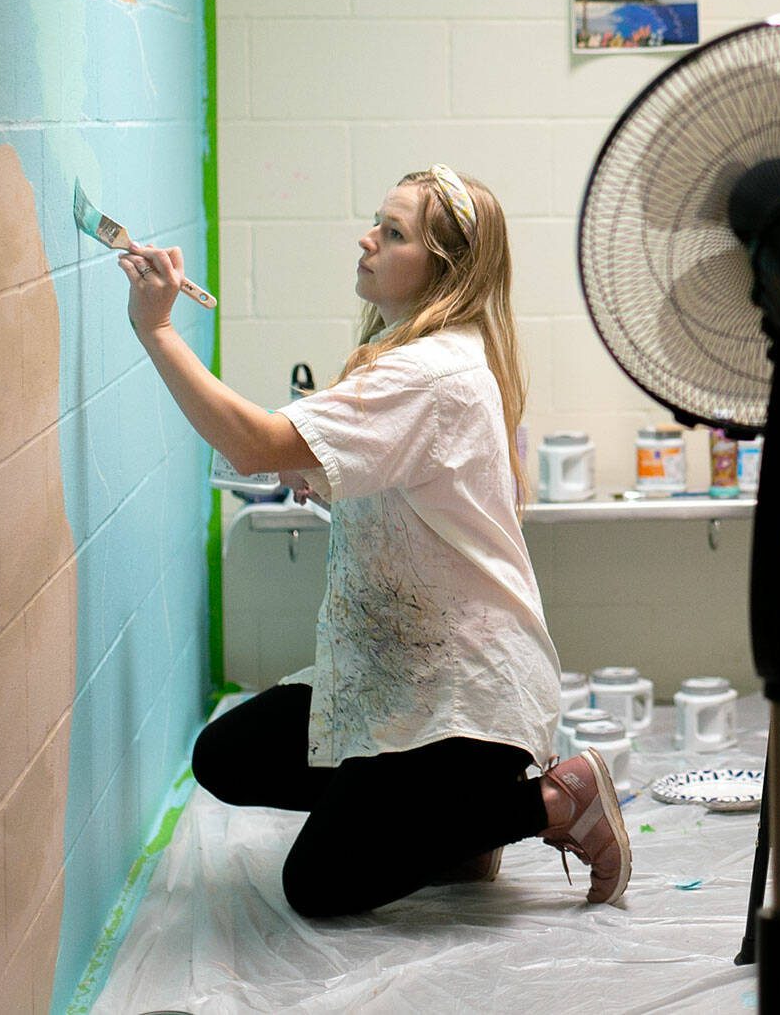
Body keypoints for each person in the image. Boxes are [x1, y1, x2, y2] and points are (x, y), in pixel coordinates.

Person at [117, 164, 630, 916]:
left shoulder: (428, 371)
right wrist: (316, 473)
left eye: (393, 233)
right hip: (404, 675)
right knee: (225, 756)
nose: (367, 239)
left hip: (464, 696)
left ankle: (555, 799)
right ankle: (450, 822)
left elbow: (257, 444)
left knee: (318, 885)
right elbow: (383, 477)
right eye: (377, 224)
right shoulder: (413, 356)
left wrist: (156, 327)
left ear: (442, 268)